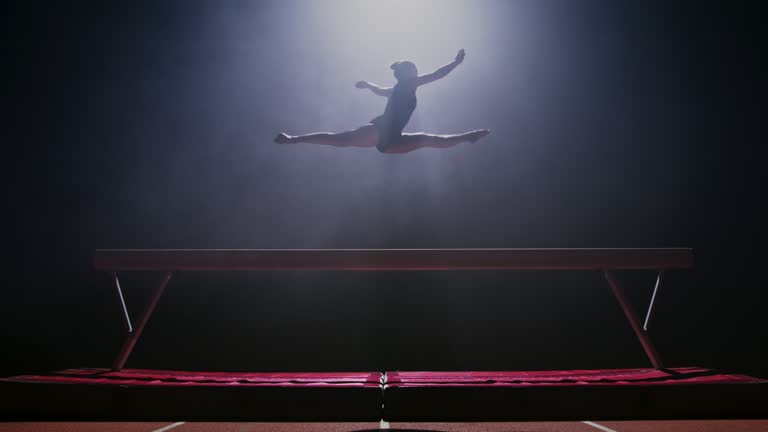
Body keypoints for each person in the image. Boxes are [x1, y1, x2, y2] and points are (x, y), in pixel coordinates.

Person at [274, 49, 490, 154]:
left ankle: (468, 137)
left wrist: (367, 85)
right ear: (409, 73)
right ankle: (293, 139)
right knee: (341, 140)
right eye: (414, 70)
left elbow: (380, 90)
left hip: (392, 139)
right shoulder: (408, 84)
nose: (417, 73)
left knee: (431, 139)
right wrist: (455, 62)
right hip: (382, 131)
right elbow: (437, 74)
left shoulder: (398, 89)